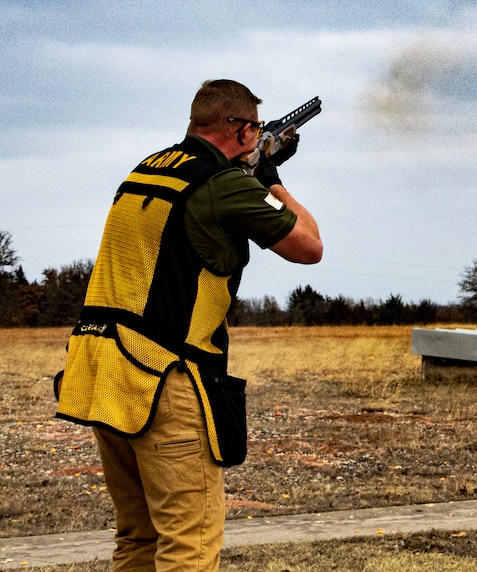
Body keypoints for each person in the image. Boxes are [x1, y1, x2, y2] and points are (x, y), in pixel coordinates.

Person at [55, 79, 322, 571]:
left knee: (139, 537)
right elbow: (309, 245)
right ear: (243, 131)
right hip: (165, 380)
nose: (259, 135)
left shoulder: (148, 168)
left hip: (103, 372)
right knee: (190, 544)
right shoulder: (225, 184)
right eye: (257, 130)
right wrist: (267, 176)